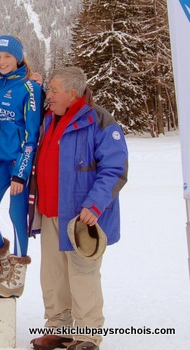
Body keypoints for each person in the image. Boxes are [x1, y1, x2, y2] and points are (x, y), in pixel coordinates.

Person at [29, 67, 128, 350]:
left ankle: (87, 336)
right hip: (50, 211)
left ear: (73, 94)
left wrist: (94, 205)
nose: (49, 96)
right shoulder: (49, 118)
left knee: (83, 275)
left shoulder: (99, 120)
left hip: (82, 218)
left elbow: (115, 168)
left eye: (54, 91)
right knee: (53, 275)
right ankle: (58, 329)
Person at [0, 35, 42, 298]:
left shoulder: (30, 88)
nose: (2, 61)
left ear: (18, 58)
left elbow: (31, 136)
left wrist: (21, 173)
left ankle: (17, 275)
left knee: (17, 218)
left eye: (8, 56)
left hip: (19, 165)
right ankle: (2, 257)